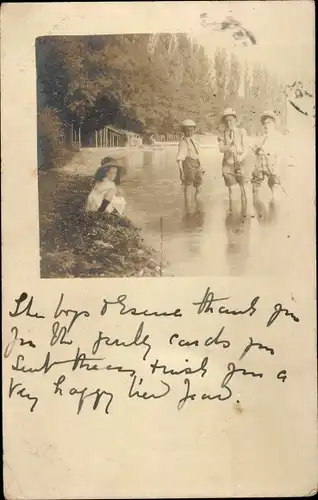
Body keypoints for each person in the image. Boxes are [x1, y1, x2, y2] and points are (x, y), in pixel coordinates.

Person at [251, 111, 283, 222]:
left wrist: (277, 167)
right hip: (260, 162)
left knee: (275, 187)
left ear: (274, 123)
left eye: (269, 122)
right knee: (255, 185)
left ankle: (275, 214)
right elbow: (254, 150)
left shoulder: (278, 137)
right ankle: (260, 213)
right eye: (264, 123)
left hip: (272, 162)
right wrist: (257, 149)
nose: (266, 125)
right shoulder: (262, 137)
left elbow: (280, 154)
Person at [217, 108, 249, 214]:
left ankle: (244, 213)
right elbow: (221, 149)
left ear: (235, 120)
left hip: (241, 163)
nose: (228, 123)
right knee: (231, 189)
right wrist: (229, 145)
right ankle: (233, 213)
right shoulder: (223, 133)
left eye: (230, 120)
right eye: (226, 121)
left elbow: (247, 149)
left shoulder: (242, 131)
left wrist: (240, 157)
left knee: (243, 188)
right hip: (227, 164)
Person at [176, 119, 204, 214]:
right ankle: (188, 209)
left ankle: (198, 207)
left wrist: (202, 167)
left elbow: (198, 155)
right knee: (188, 186)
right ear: (183, 131)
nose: (189, 132)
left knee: (199, 186)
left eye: (191, 129)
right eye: (187, 129)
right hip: (188, 164)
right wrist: (181, 172)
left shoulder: (194, 141)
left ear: (194, 130)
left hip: (196, 164)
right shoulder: (183, 142)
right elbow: (180, 159)